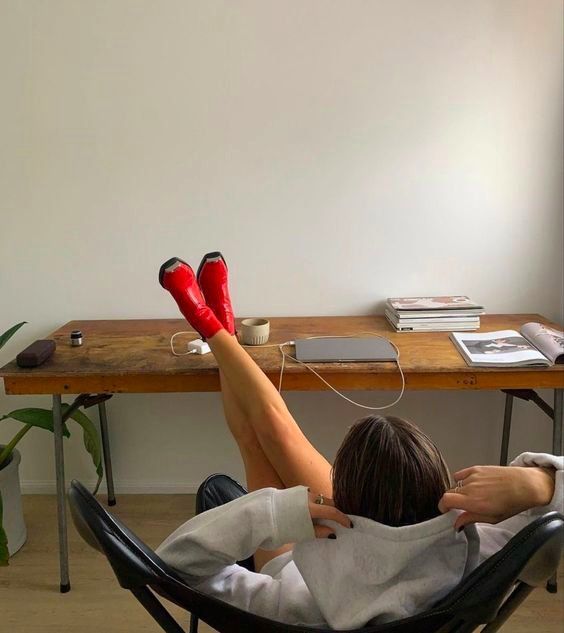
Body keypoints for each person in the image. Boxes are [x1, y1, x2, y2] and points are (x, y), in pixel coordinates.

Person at [155, 253, 563, 629]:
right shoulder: (480, 560)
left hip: (299, 571)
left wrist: (278, 515)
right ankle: (218, 327)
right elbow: (549, 536)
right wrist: (540, 483)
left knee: (258, 436)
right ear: (442, 496)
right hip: (381, 582)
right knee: (260, 434)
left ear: (338, 500)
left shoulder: (290, 604)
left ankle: (213, 328)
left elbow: (175, 564)